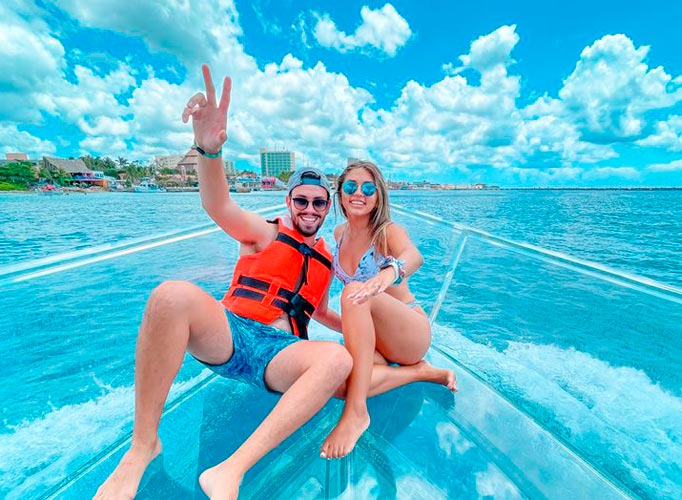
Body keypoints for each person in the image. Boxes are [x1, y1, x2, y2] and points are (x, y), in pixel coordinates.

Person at [93, 64, 352, 500]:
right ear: (289, 203)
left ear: (329, 209)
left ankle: (230, 470)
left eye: (319, 202)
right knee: (170, 295)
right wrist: (208, 152)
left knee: (337, 361)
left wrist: (363, 331)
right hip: (230, 335)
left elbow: (321, 312)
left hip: (280, 355)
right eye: (302, 200)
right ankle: (142, 448)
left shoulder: (325, 259)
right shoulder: (264, 232)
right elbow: (219, 205)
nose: (310, 208)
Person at [320, 160, 457, 460]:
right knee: (341, 381)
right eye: (351, 187)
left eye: (368, 188)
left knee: (354, 292)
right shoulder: (339, 234)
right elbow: (322, 310)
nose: (359, 193)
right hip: (376, 340)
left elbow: (414, 257)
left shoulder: (387, 231)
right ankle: (421, 372)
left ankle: (356, 414)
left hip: (409, 334)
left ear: (378, 196)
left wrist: (387, 274)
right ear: (340, 194)